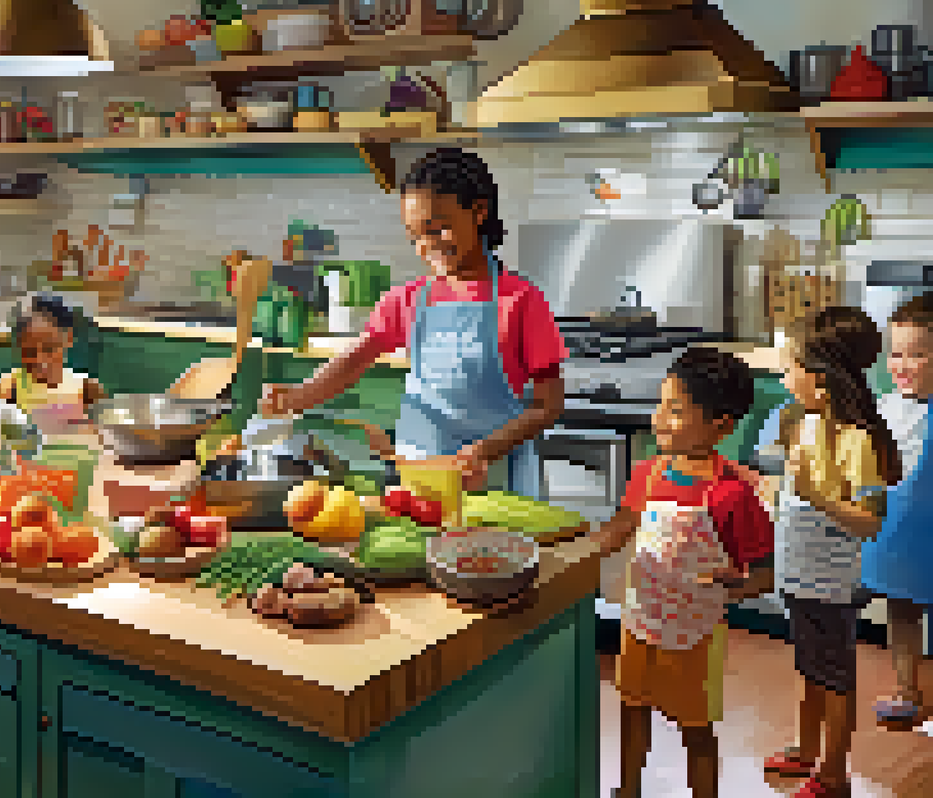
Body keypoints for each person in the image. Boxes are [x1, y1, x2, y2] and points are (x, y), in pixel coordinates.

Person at [260, 148, 565, 495]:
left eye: (439, 229)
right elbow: (353, 361)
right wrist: (299, 396)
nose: (427, 246)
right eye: (415, 235)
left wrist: (481, 453)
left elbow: (548, 406)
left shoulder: (522, 300)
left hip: (495, 475)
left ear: (479, 211)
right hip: (421, 474)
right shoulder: (408, 299)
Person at [593, 347, 775, 798]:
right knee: (631, 712)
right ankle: (628, 789)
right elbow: (620, 528)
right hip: (639, 625)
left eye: (675, 410)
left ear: (722, 427)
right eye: (660, 405)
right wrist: (575, 550)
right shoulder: (647, 476)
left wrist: (736, 588)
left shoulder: (732, 496)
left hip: (695, 635)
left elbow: (767, 573)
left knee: (696, 730)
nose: (658, 419)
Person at [763, 307, 899, 798]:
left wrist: (812, 495)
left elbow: (869, 522)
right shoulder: (803, 422)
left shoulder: (857, 440)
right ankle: (804, 748)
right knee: (809, 666)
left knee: (835, 676)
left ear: (819, 380)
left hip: (831, 584)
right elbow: (797, 493)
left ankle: (834, 774)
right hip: (799, 575)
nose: (782, 376)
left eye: (788, 368)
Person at [864, 292, 933, 730]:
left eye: (918, 354)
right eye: (896, 353)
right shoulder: (887, 406)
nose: (902, 365)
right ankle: (909, 690)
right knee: (902, 609)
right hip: (898, 529)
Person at [0, 294, 106, 434]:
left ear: (68, 339)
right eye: (29, 352)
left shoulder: (87, 388)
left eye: (50, 349)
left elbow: (102, 436)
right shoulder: (9, 386)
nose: (40, 360)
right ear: (18, 346)